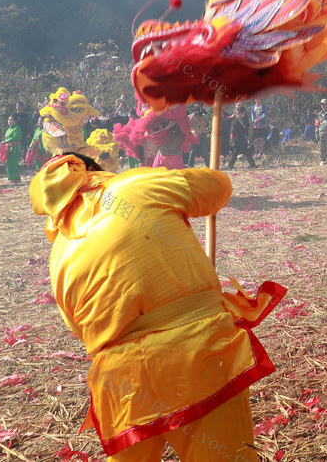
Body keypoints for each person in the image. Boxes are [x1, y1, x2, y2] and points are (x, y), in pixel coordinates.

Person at [29, 153, 285, 460]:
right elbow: (216, 187)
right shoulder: (134, 183)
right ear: (94, 170)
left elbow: (81, 329)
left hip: (121, 381)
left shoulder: (59, 253)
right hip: (193, 354)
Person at [0, 115, 23, 183]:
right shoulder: (8, 129)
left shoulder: (17, 128)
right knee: (9, 163)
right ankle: (11, 178)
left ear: (15, 121)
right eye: (8, 120)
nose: (9, 121)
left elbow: (16, 137)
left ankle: (16, 178)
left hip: (15, 148)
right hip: (9, 148)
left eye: (11, 120)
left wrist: (7, 141)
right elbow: (5, 137)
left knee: (13, 163)